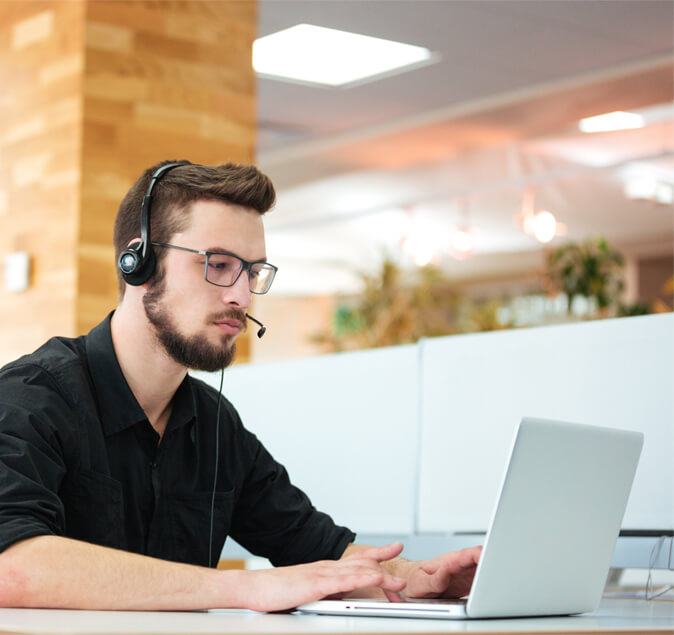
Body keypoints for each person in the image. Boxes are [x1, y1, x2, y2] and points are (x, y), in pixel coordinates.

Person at [0, 160, 481, 611]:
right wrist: (245, 586)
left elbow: (315, 548)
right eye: (218, 264)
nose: (241, 296)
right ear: (139, 264)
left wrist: (414, 577)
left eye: (252, 272)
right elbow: (12, 566)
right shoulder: (31, 399)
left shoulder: (213, 423)